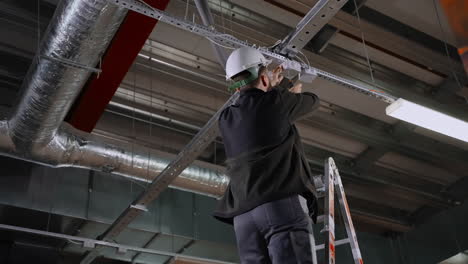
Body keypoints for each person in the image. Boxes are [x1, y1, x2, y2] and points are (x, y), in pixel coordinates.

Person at [213, 47, 321, 264]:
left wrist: (275, 88)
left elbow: (261, 112)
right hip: (279, 206)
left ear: (234, 85)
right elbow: (312, 101)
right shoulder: (276, 102)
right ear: (263, 78)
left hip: (243, 218)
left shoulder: (225, 119)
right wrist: (281, 88)